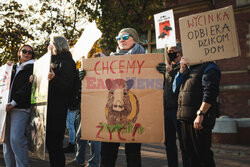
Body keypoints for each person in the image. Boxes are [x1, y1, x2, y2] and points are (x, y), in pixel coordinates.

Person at [100, 28, 145, 167]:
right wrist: (85, 75)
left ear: (135, 39)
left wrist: (161, 72)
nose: (121, 40)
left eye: (125, 36)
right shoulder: (108, 61)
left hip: (134, 113)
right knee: (107, 154)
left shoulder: (146, 60)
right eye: (118, 38)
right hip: (111, 115)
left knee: (133, 156)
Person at [177, 57, 221, 167]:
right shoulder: (189, 68)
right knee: (191, 156)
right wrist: (182, 70)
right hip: (185, 119)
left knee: (203, 155)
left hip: (199, 120)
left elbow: (210, 93)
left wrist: (201, 113)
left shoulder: (210, 67)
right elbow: (176, 89)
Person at [67, 52, 104, 167]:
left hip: (99, 110)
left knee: (95, 139)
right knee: (80, 136)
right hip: (86, 109)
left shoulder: (106, 75)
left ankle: (94, 163)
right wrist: (81, 76)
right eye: (94, 60)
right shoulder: (86, 73)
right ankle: (79, 159)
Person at [156, 42, 189, 167]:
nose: (169, 54)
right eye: (168, 52)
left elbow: (179, 86)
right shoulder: (167, 68)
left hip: (179, 110)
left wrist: (171, 72)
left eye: (171, 51)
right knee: (169, 143)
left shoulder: (185, 68)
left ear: (179, 52)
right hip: (166, 110)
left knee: (183, 143)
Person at [46, 35, 76, 167]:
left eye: (50, 43)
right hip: (50, 107)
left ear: (56, 45)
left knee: (55, 144)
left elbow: (67, 87)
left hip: (58, 108)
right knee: (51, 144)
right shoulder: (53, 60)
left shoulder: (66, 62)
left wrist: (54, 78)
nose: (48, 46)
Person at [3, 44, 35, 167]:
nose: (27, 54)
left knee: (16, 139)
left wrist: (14, 102)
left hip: (20, 107)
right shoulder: (13, 68)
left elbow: (27, 88)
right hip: (6, 108)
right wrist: (7, 68)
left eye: (30, 52)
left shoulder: (34, 68)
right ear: (19, 52)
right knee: (6, 141)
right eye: (24, 51)